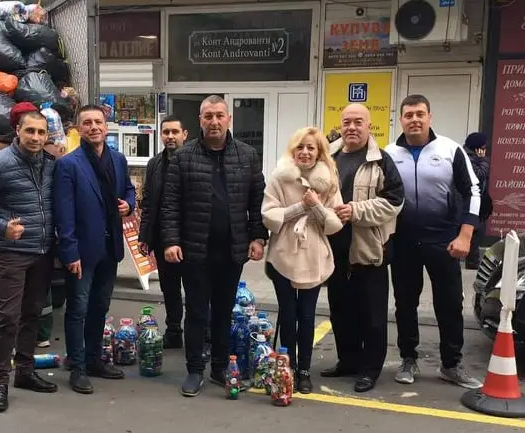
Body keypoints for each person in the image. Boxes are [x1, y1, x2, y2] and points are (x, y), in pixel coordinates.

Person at [161, 94, 268, 397]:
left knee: (223, 311)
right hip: (195, 249)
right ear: (200, 120)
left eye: (219, 115)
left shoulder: (246, 155)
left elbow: (257, 201)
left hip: (232, 250)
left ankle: (220, 368)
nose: (214, 121)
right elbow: (170, 203)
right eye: (208, 116)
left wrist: (258, 237)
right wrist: (170, 241)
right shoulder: (184, 157)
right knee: (196, 311)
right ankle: (195, 370)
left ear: (228, 119)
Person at [385, 94, 482, 389]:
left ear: (430, 117)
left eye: (420, 114)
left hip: (444, 239)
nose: (414, 119)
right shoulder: (389, 153)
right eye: (409, 115)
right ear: (401, 120)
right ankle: (408, 359)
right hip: (404, 241)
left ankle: (451, 365)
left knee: (450, 304)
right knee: (405, 303)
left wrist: (465, 235)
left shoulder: (450, 149)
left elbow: (473, 192)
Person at [0, 108, 58, 413]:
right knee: (8, 317)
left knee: (33, 314)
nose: (36, 137)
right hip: (12, 253)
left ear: (47, 135)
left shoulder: (51, 164)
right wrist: (1, 227)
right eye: (30, 131)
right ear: (17, 131)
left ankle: (26, 372)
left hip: (43, 251)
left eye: (41, 132)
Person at [321, 104, 404, 393]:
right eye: (347, 122)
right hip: (334, 252)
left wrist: (356, 211)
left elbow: (394, 202)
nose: (352, 127)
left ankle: (370, 370)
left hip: (369, 251)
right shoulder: (328, 156)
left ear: (369, 125)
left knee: (372, 316)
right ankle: (348, 361)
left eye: (358, 122)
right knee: (340, 311)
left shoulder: (381, 161)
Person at [54, 104, 136, 395]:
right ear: (79, 129)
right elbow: (64, 213)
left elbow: (129, 189)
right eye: (87, 123)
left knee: (100, 307)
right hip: (82, 251)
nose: (93, 127)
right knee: (78, 309)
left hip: (110, 247)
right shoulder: (68, 164)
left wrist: (129, 205)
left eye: (98, 122)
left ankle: (93, 360)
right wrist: (69, 252)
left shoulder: (118, 159)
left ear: (106, 125)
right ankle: (77, 367)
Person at [261, 127, 344, 394]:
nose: (305, 152)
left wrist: (317, 206)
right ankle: (288, 366)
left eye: (311, 147)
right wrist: (301, 207)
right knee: (288, 314)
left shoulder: (329, 180)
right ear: (293, 150)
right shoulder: (280, 177)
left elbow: (335, 224)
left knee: (307, 316)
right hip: (283, 255)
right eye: (300, 147)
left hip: (313, 257)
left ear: (319, 152)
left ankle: (305, 371)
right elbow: (268, 215)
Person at [138, 115, 189, 349]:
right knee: (169, 288)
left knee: (195, 289)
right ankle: (174, 331)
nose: (170, 136)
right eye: (166, 132)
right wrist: (144, 236)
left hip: (189, 239)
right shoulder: (155, 164)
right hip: (161, 239)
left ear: (184, 135)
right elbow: (148, 202)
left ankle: (202, 334)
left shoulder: (193, 161)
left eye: (174, 132)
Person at [463, 132, 492, 270]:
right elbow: (479, 175)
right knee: (475, 231)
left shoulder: (473, 158)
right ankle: (472, 261)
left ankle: (472, 260)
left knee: (477, 230)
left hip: (478, 201)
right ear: (477, 147)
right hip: (470, 201)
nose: (485, 149)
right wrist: (483, 160)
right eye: (483, 146)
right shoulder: (469, 159)